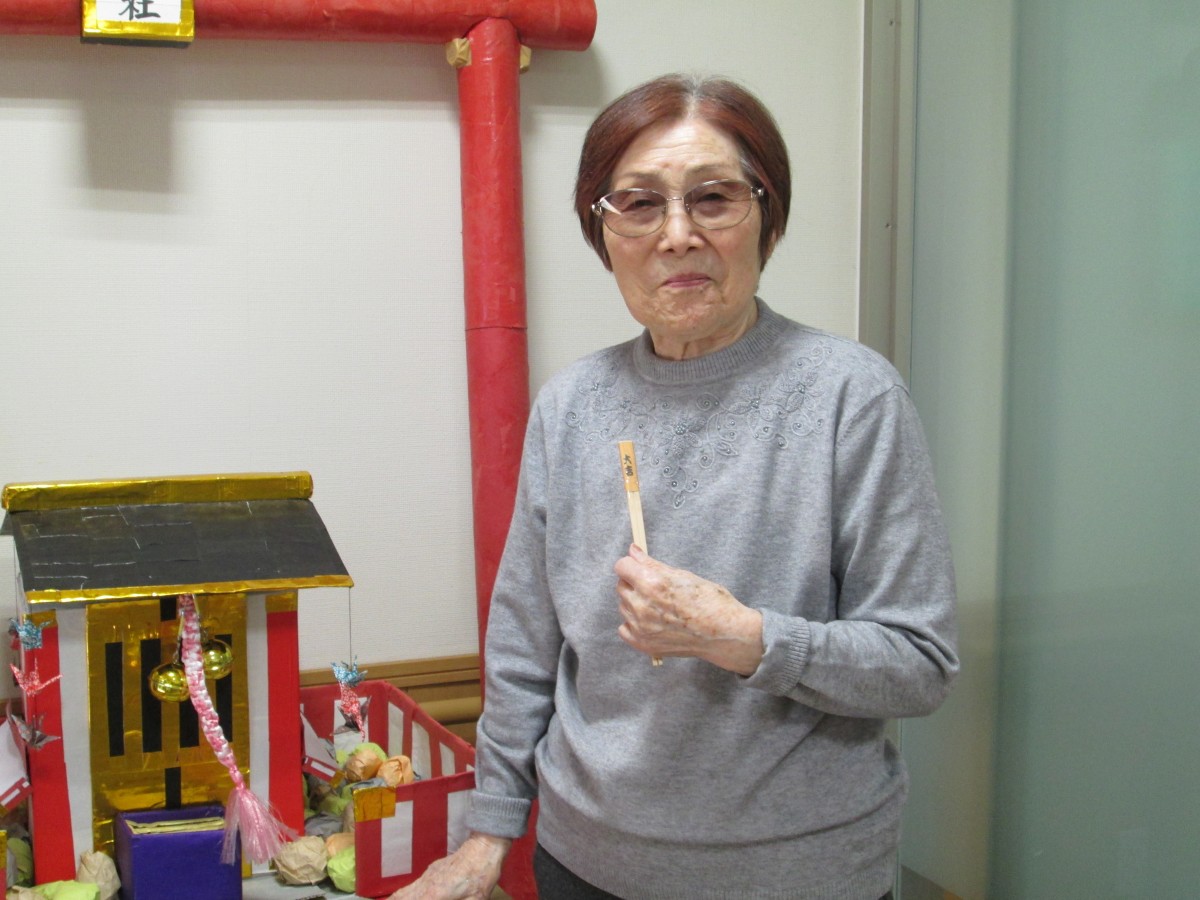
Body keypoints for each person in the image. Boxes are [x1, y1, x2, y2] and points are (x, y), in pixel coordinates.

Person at [391, 73, 958, 900]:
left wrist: (745, 638)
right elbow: (524, 647)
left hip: (798, 877)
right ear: (603, 230)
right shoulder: (573, 406)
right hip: (585, 863)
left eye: (714, 198)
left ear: (767, 217)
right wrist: (487, 836)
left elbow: (919, 663)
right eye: (640, 204)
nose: (679, 235)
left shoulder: (852, 397)